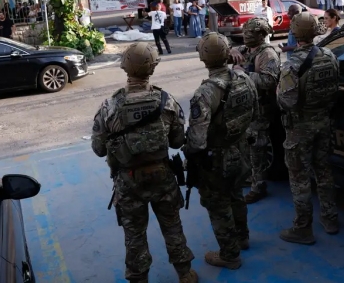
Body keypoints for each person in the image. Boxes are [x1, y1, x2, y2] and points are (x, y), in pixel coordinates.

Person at [91, 43, 197, 283]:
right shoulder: (166, 101)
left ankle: (139, 278)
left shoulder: (109, 106)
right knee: (172, 225)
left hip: (128, 180)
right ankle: (185, 273)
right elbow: (178, 140)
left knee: (134, 233)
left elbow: (98, 149)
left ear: (125, 66)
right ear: (152, 67)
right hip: (162, 176)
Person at [185, 32, 258, 270]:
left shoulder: (205, 92)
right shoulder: (244, 79)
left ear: (204, 59)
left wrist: (191, 159)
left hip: (217, 160)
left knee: (218, 204)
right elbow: (254, 115)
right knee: (236, 194)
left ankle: (229, 254)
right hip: (241, 151)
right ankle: (242, 237)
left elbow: (197, 140)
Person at [277, 12, 340, 245]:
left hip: (299, 128)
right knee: (324, 171)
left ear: (294, 32)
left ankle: (303, 228)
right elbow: (334, 90)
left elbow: (286, 102)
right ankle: (330, 218)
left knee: (299, 177)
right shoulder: (329, 56)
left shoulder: (291, 65)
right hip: (323, 122)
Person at [228, 17, 280, 204]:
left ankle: (258, 186)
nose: (246, 35)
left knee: (257, 148)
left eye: (250, 33)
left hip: (261, 109)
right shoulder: (245, 50)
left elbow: (269, 81)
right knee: (245, 146)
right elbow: (219, 50)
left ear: (261, 35)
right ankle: (250, 176)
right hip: (246, 108)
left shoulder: (267, 54)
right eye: (245, 32)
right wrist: (231, 49)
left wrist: (244, 74)